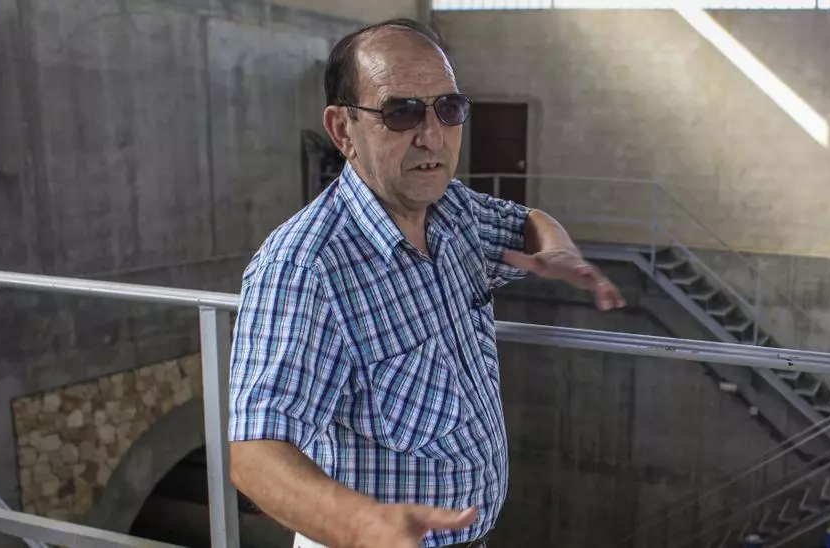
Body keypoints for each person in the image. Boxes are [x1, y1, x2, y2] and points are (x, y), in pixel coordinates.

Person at [226, 18, 625, 548]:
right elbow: (255, 455)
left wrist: (557, 249)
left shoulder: (453, 212)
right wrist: (360, 524)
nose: (433, 136)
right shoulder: (307, 268)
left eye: (449, 108)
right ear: (343, 129)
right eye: (401, 112)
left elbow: (528, 220)